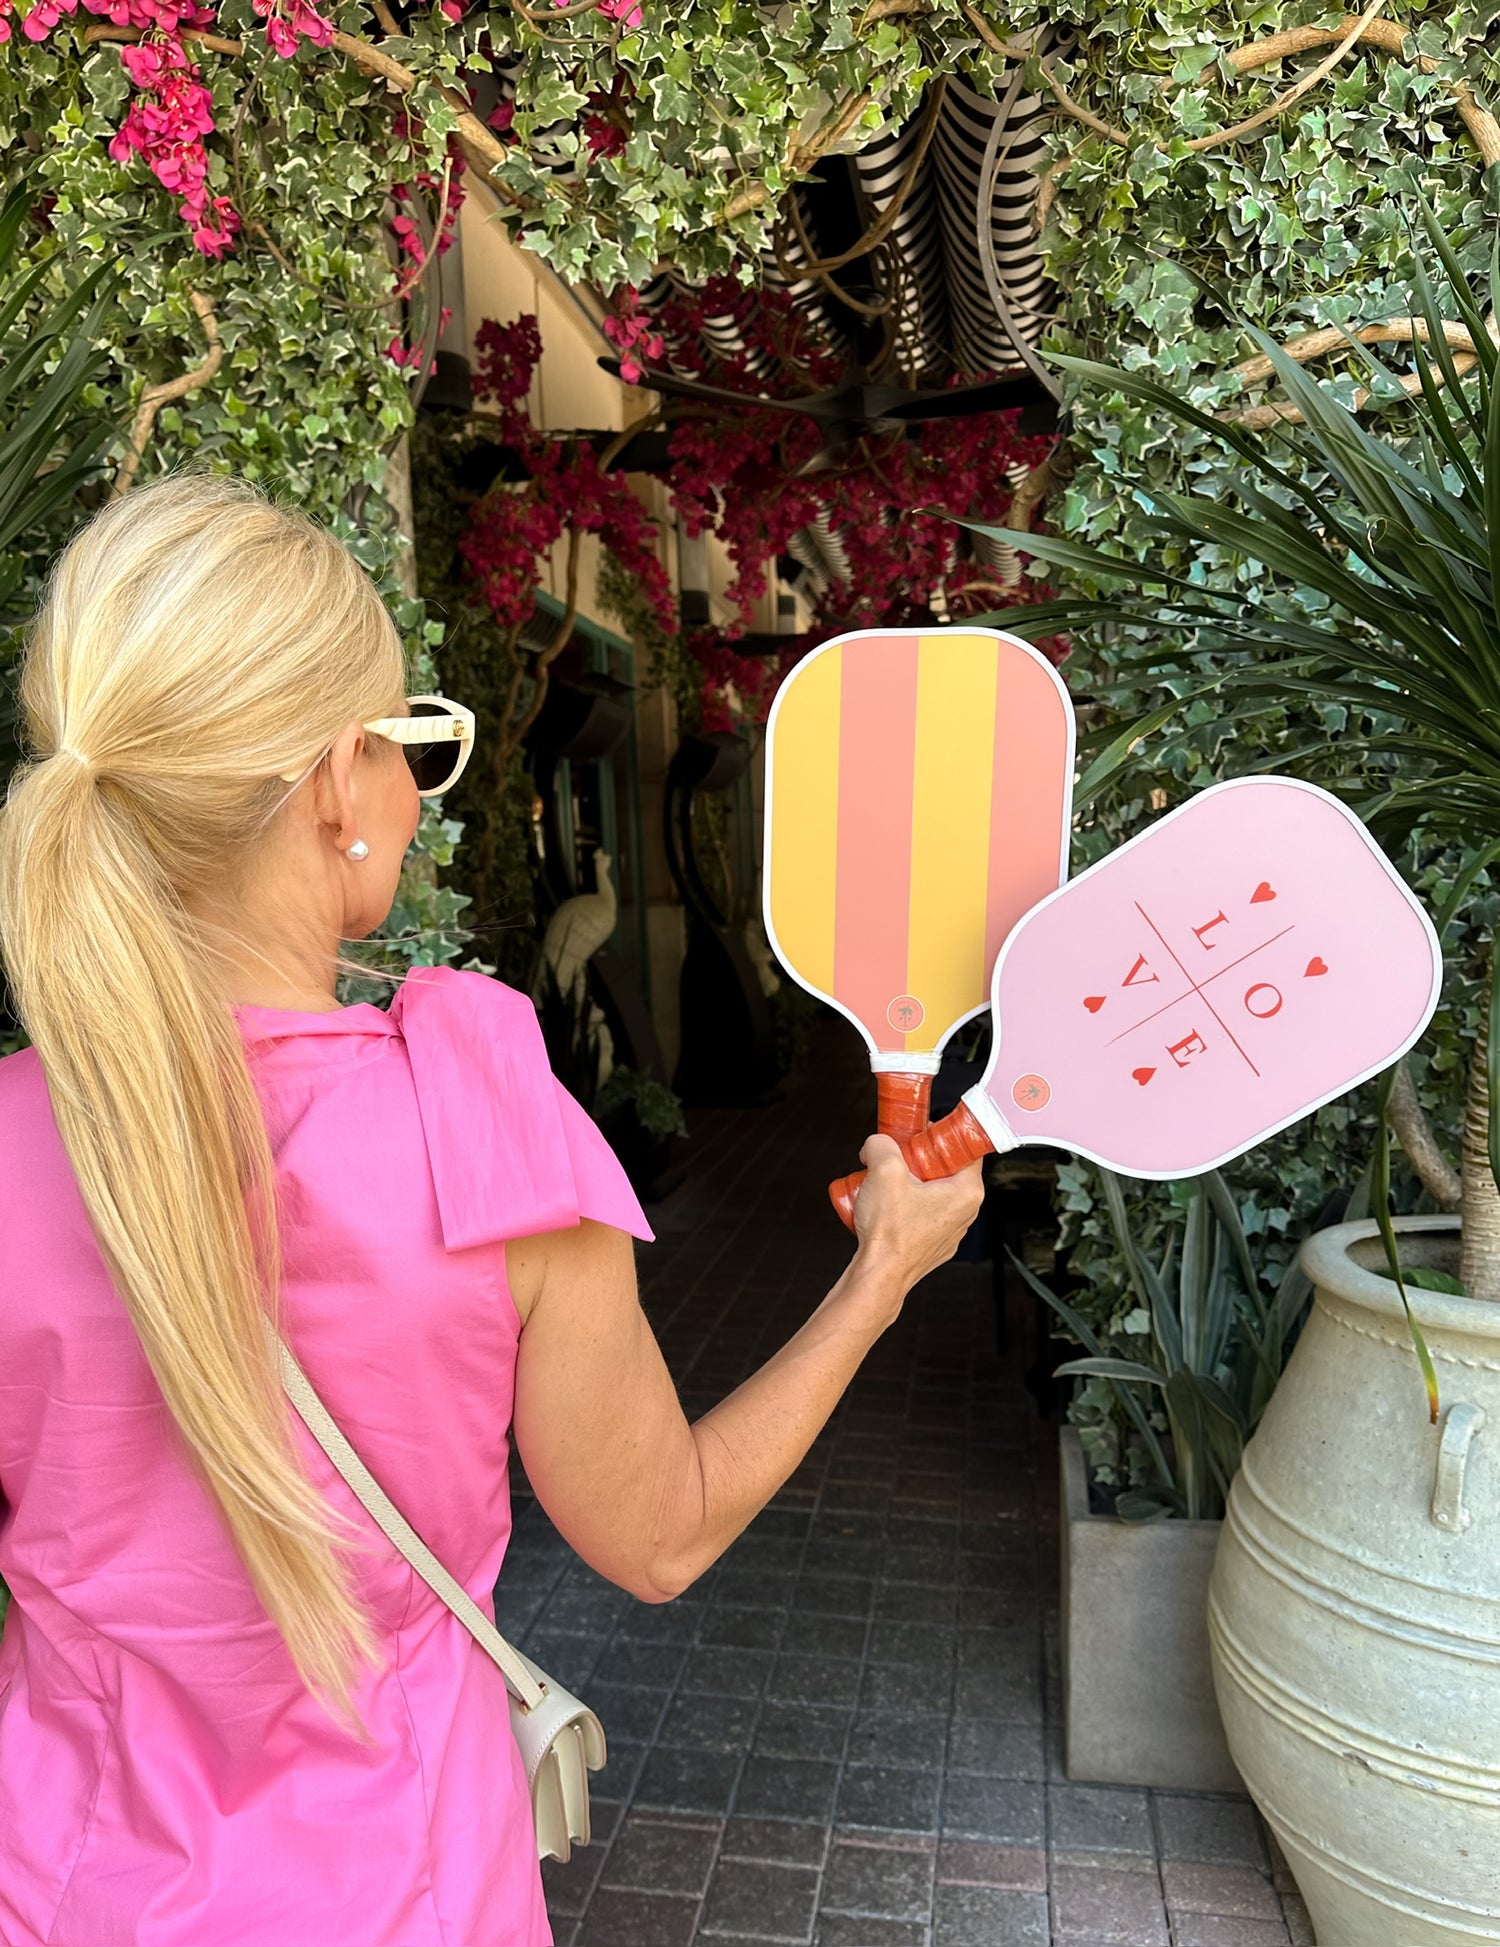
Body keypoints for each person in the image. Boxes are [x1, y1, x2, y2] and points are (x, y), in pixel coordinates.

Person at [0, 474, 984, 1947]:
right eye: (412, 742)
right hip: (407, 1893)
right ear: (340, 780)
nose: (410, 786)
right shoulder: (476, 1120)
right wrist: (881, 1280)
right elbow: (661, 1539)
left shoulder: (19, 1137)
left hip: (61, 1887)